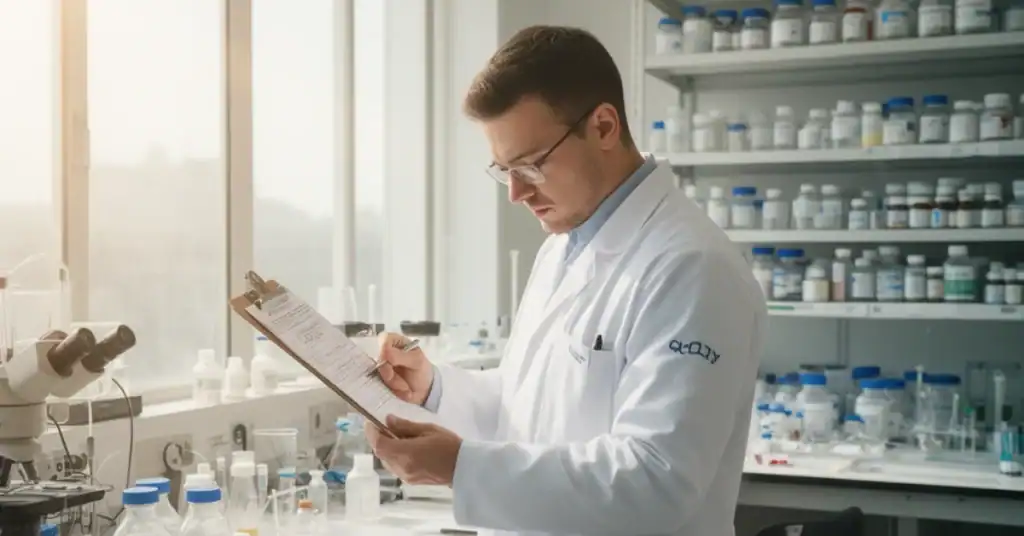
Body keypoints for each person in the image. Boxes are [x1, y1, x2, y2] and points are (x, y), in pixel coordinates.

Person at [366, 25, 766, 536]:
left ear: (602, 126)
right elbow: (526, 404)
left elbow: (655, 483)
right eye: (502, 169)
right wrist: (433, 389)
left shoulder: (692, 268)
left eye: (530, 165)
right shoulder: (564, 246)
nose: (514, 193)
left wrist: (461, 467)